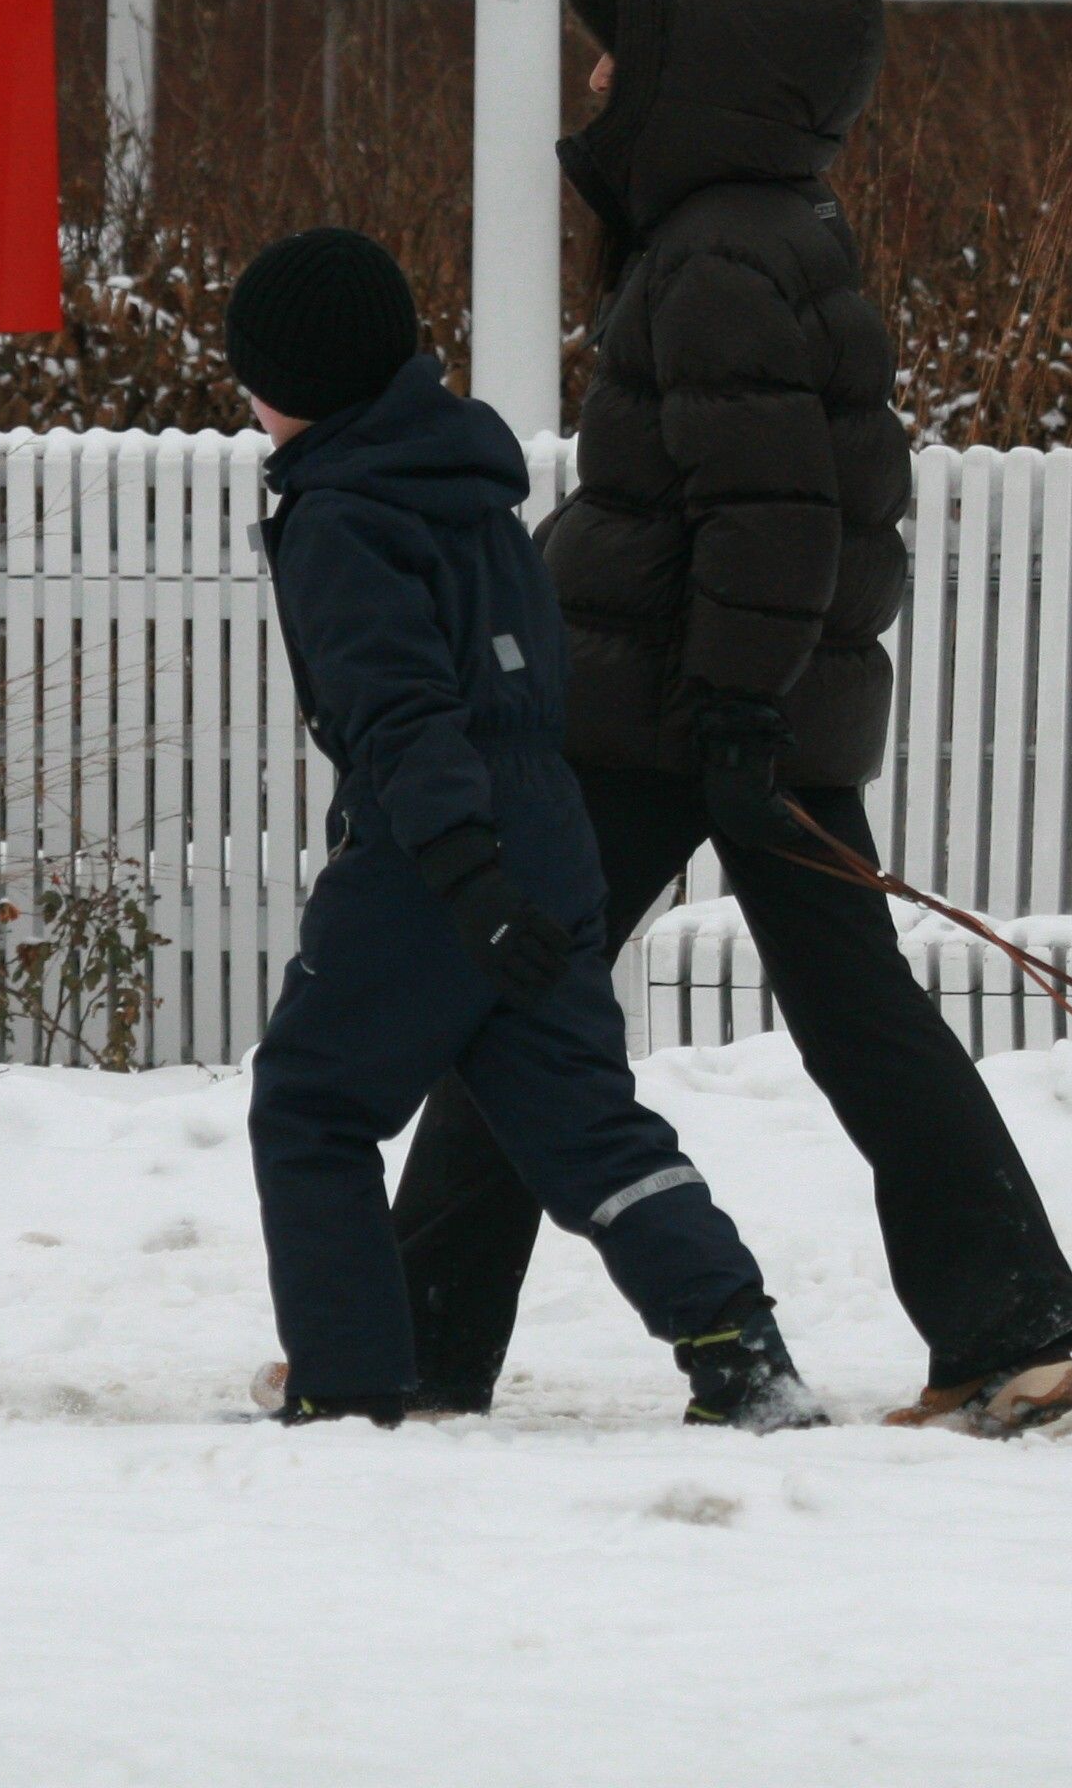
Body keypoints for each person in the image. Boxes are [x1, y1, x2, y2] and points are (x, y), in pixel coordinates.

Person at [384, 0, 1072, 1436]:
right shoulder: (760, 232)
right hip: (731, 704)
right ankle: (1007, 1325)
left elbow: (770, 513)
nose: (592, 80)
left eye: (617, 53)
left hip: (676, 710)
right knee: (857, 1014)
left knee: (517, 995)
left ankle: (408, 1344)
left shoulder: (717, 254)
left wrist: (729, 710)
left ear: (696, 74)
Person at [230, 225, 826, 1431]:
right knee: (584, 1122)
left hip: (429, 854)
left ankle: (346, 1383)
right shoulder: (463, 482)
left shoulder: (342, 514)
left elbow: (402, 710)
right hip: (549, 833)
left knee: (310, 1103)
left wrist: (458, 871)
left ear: (296, 381)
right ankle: (736, 1345)